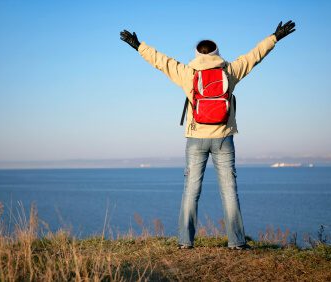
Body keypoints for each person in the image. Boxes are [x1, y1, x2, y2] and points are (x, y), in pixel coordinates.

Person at [119, 21, 296, 250]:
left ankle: (185, 242)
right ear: (217, 52)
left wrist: (138, 45)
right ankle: (237, 242)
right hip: (223, 138)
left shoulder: (187, 73)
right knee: (229, 191)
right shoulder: (229, 71)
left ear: (196, 54)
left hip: (195, 139)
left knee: (191, 191)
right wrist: (274, 37)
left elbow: (160, 61)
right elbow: (255, 56)